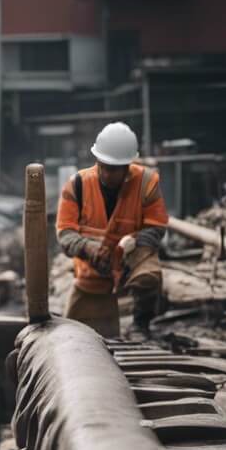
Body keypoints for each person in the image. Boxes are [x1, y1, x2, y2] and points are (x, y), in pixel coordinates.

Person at [56, 121, 169, 339]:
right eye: (103, 166)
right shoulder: (77, 185)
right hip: (95, 265)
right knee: (76, 334)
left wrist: (134, 243)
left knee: (149, 274)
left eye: (114, 169)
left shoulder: (147, 182)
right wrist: (89, 248)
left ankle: (140, 324)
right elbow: (65, 234)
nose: (107, 174)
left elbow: (157, 226)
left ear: (127, 166)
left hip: (131, 256)